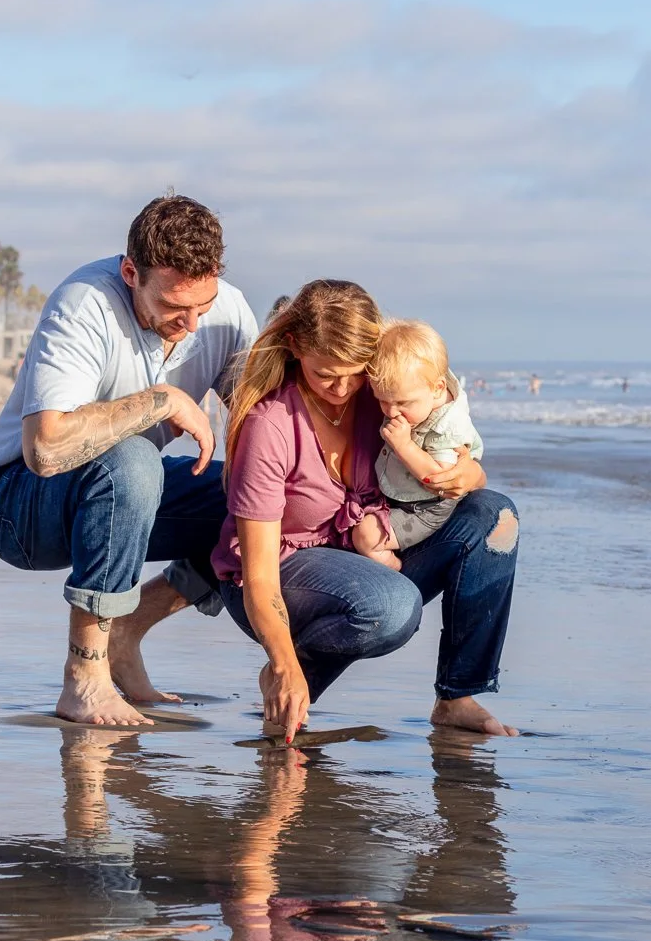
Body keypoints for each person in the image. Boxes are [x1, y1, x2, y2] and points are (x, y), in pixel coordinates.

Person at [0, 194, 258, 727]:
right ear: (130, 272)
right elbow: (44, 449)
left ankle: (127, 629)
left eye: (201, 307)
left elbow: (265, 432)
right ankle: (85, 679)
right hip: (17, 506)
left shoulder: (227, 313)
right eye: (172, 308)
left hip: (119, 497)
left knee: (246, 497)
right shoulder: (84, 303)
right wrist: (161, 401)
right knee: (133, 459)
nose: (190, 325)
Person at [211, 279, 520, 745]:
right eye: (326, 375)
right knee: (392, 607)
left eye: (357, 374)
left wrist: (470, 474)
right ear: (295, 348)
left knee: (494, 515)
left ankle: (458, 697)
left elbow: (448, 440)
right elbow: (257, 576)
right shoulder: (269, 426)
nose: (343, 389)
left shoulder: (380, 397)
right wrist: (283, 661)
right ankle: (298, 674)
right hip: (282, 570)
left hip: (366, 550)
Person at [349, 320, 483, 565]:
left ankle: (397, 570)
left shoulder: (449, 425)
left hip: (427, 507)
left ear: (437, 388)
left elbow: (440, 480)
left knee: (365, 537)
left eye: (402, 403)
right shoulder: (417, 384)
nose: (391, 412)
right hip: (400, 495)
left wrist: (404, 446)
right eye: (383, 401)